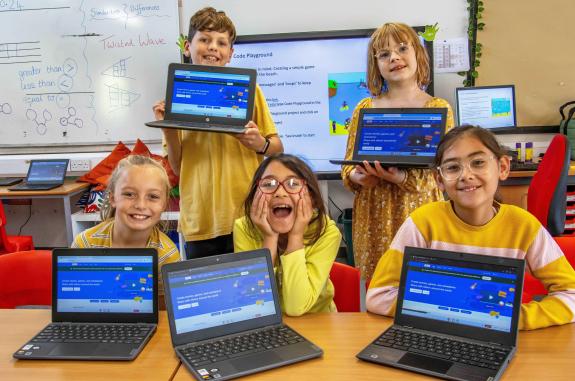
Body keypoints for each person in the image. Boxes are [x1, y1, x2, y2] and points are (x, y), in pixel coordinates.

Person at [367, 125, 575, 330]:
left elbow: (571, 294)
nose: (466, 175)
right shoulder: (422, 223)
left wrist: (515, 319)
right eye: (452, 167)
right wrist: (448, 314)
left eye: (477, 162)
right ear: (439, 180)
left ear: (502, 167)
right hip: (439, 335)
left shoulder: (524, 226)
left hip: (498, 337)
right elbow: (379, 296)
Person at [153, 7, 283, 259]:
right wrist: (169, 131)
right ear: (188, 47)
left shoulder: (249, 91)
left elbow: (277, 147)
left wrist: (260, 144)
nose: (213, 47)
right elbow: (178, 167)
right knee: (206, 292)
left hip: (247, 217)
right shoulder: (178, 96)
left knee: (253, 291)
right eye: (204, 39)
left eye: (221, 43)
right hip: (200, 221)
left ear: (230, 54)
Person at [341, 22, 455, 279]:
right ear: (376, 65)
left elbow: (444, 171)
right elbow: (349, 165)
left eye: (402, 48)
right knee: (377, 289)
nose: (394, 57)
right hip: (373, 216)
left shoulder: (439, 108)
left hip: (418, 212)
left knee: (420, 288)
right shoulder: (364, 107)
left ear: (418, 53)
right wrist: (358, 177)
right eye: (384, 54)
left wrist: (400, 178)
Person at [234, 154, 341, 316]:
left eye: (293, 184)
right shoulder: (244, 228)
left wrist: (296, 235)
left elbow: (295, 307)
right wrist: (269, 239)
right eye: (269, 184)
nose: (280, 193)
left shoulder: (327, 231)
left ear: (311, 197)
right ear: (256, 194)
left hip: (317, 322)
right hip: (266, 324)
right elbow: (252, 301)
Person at [72, 155, 181, 305]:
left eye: (153, 196)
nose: (141, 205)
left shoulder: (166, 255)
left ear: (164, 204)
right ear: (112, 198)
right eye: (129, 194)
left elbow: (163, 314)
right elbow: (77, 302)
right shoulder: (85, 243)